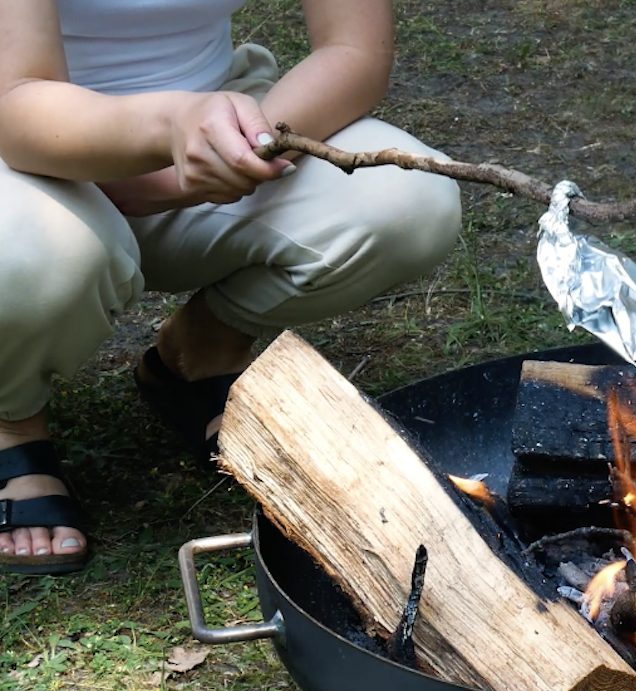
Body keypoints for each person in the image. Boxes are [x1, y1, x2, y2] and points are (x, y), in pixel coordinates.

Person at [0, 0, 463, 575]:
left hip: (218, 120)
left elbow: (355, 50)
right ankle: (10, 416)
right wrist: (170, 128)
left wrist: (227, 153)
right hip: (19, 152)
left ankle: (197, 356)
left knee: (407, 202)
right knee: (33, 259)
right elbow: (16, 99)